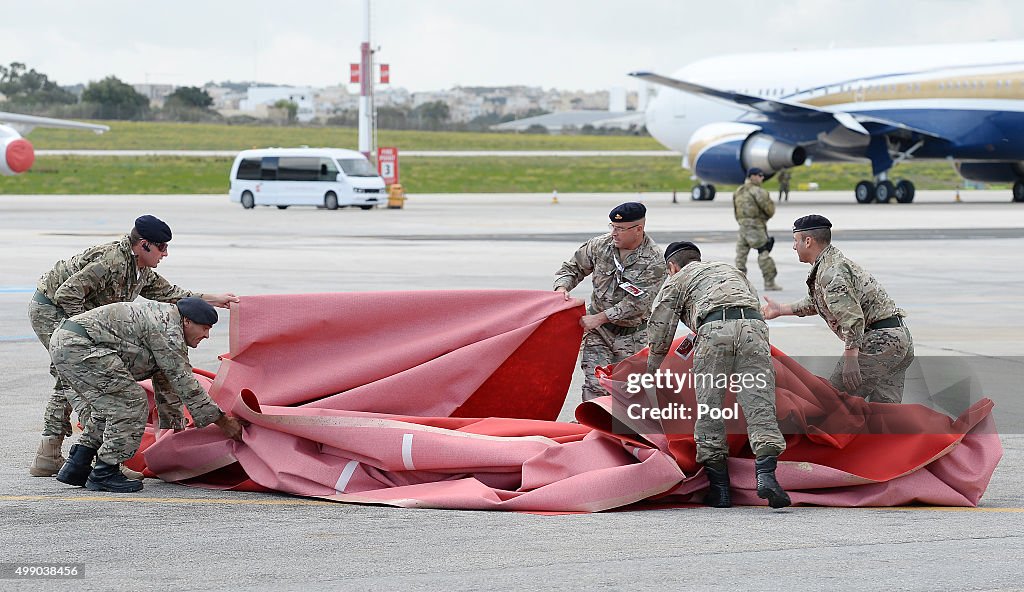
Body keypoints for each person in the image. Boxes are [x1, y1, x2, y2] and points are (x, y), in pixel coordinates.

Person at [28, 215, 239, 478]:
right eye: (161, 247)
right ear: (144, 245)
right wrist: (83, 333)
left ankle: (58, 455)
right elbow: (67, 294)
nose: (166, 253)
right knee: (77, 379)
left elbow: (171, 294)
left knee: (84, 378)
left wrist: (212, 298)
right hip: (53, 310)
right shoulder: (111, 262)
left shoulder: (140, 270)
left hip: (83, 323)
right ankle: (93, 458)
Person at [646, 241, 790, 508]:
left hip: (714, 331)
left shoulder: (678, 279)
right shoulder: (730, 270)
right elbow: (754, 304)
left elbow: (660, 326)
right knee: (760, 406)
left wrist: (652, 368)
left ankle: (720, 489)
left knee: (710, 407)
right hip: (753, 330)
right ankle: (766, 475)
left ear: (672, 266)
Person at [50, 297, 245, 493]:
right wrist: (224, 422)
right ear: (187, 321)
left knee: (111, 405)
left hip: (68, 342)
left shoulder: (169, 322)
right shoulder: (169, 330)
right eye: (204, 328)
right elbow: (185, 382)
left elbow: (166, 380)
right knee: (131, 402)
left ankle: (78, 464)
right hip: (79, 345)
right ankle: (105, 472)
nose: (207, 335)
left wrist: (176, 428)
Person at [761, 214, 915, 403]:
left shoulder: (830, 273)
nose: (794, 247)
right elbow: (818, 302)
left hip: (879, 342)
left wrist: (851, 360)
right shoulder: (832, 264)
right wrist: (781, 309)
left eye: (795, 241)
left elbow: (853, 318)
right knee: (885, 414)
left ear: (808, 241)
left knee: (832, 404)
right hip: (898, 338)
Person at [554, 202, 667, 401]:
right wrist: (562, 288)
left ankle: (617, 431)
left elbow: (637, 303)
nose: (614, 233)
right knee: (594, 385)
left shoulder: (654, 260)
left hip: (632, 337)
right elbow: (572, 268)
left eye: (620, 229)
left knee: (627, 394)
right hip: (599, 333)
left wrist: (599, 318)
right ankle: (591, 429)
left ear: (638, 229)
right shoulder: (600, 246)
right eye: (612, 227)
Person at [733, 167, 782, 291]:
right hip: (756, 227)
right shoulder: (758, 192)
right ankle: (769, 282)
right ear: (753, 176)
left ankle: (738, 284)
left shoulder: (738, 191)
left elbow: (736, 210)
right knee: (763, 252)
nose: (762, 177)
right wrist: (762, 219)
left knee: (740, 257)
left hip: (742, 227)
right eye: (760, 175)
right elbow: (769, 209)